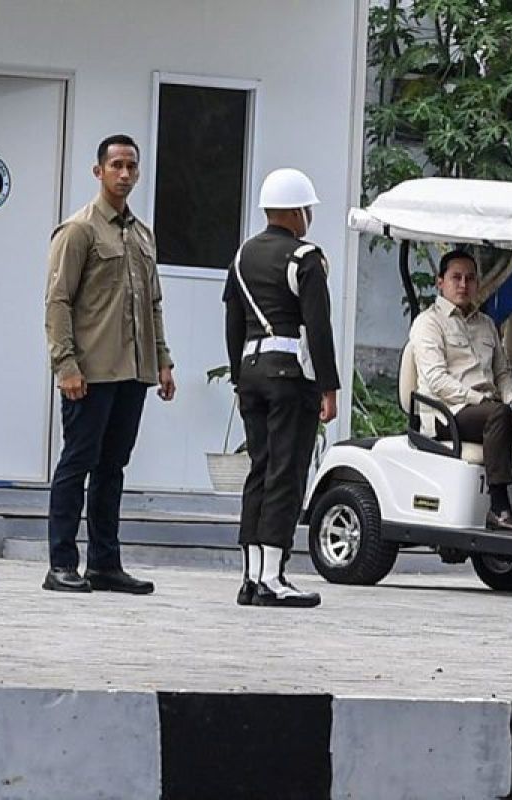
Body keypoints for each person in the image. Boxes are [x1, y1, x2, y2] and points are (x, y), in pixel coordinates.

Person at [43, 134, 175, 594]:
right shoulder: (78, 230)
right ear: (98, 171)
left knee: (113, 467)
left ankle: (105, 564)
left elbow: (152, 303)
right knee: (77, 463)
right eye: (115, 165)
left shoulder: (142, 234)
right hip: (90, 372)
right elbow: (58, 302)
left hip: (132, 373)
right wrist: (66, 365)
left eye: (131, 166)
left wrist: (162, 361)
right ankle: (61, 563)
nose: (124, 173)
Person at [224, 168, 340, 608]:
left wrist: (238, 377)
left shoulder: (242, 256)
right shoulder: (306, 257)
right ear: (294, 212)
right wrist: (328, 387)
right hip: (291, 374)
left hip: (251, 370)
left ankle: (251, 576)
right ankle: (274, 576)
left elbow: (233, 321)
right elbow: (318, 326)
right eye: (307, 208)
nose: (309, 216)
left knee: (259, 469)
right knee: (286, 473)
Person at [410, 250, 512, 532]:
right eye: (456, 278)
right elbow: (437, 380)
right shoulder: (429, 323)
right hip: (447, 411)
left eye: (470, 278)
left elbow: (502, 373)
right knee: (497, 415)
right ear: (440, 282)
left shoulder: (486, 324)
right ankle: (498, 506)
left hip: (487, 410)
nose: (463, 284)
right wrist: (482, 399)